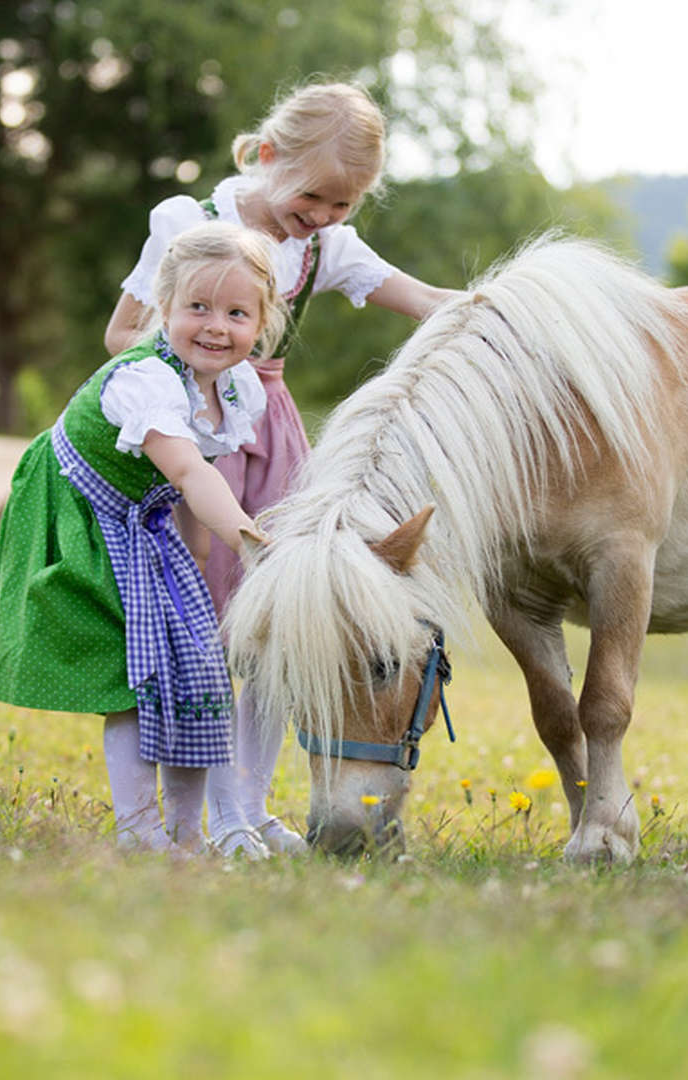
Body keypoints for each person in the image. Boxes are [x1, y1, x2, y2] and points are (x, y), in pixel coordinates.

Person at [105, 81, 459, 858]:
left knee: (280, 625)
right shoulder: (188, 223)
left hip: (273, 434)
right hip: (196, 439)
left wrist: (493, 311)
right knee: (203, 629)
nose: (327, 216)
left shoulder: (326, 247)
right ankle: (192, 814)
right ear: (267, 155)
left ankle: (249, 807)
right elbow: (121, 332)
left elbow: (426, 297)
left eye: (346, 204)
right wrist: (187, 377)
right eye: (315, 196)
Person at [0, 221, 286, 856]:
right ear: (163, 306)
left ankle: (186, 835)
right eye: (197, 307)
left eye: (236, 313)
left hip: (145, 517)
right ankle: (140, 832)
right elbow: (187, 470)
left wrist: (199, 562)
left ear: (263, 324)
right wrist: (250, 538)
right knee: (133, 675)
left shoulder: (236, 388)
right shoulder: (143, 380)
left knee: (198, 668)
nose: (215, 327)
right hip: (79, 508)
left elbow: (197, 480)